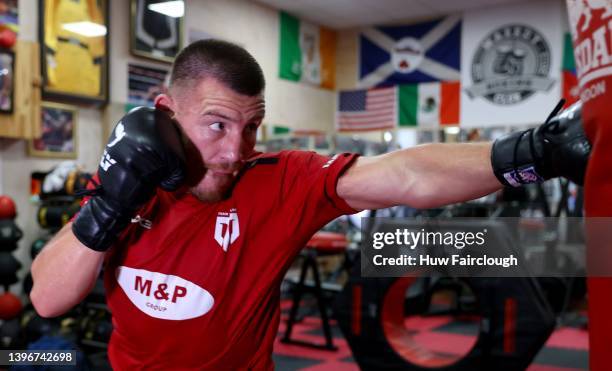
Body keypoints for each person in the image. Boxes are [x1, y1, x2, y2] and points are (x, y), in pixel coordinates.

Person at [30, 39, 590, 369]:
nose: (234, 151)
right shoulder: (130, 180)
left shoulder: (277, 182)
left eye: (250, 128)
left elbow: (406, 173)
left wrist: (531, 153)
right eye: (216, 125)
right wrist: (107, 207)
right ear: (166, 112)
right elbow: (49, 299)